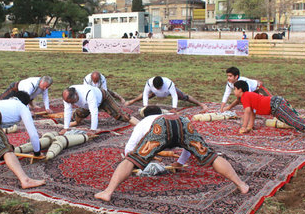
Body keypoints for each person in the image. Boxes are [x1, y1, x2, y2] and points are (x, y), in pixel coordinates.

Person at [94, 106, 249, 202]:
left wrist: (144, 160)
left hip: (161, 127)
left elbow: (129, 150)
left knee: (131, 159)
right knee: (211, 156)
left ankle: (108, 192)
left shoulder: (143, 123)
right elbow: (188, 147)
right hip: (182, 122)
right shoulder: (164, 117)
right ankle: (241, 185)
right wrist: (180, 162)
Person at [233, 80, 305, 141]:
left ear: (240, 90)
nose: (234, 91)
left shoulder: (244, 97)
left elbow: (247, 111)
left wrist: (243, 126)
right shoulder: (248, 95)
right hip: (276, 102)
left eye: (234, 89)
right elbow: (253, 112)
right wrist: (250, 126)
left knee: (292, 120)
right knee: (294, 116)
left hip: (274, 105)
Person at [60, 85, 139, 133]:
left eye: (73, 102)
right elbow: (67, 111)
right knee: (79, 114)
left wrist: (93, 130)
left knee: (121, 115)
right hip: (87, 105)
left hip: (103, 98)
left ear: (76, 94)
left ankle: (142, 125)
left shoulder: (88, 93)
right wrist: (66, 128)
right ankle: (76, 123)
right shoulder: (67, 97)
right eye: (70, 103)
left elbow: (94, 113)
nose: (72, 104)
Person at [126, 76, 209, 112]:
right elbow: (145, 94)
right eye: (156, 88)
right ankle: (132, 101)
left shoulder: (169, 84)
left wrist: (174, 108)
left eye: (159, 87)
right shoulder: (149, 83)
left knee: (184, 96)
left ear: (162, 85)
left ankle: (201, 104)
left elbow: (174, 96)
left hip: (167, 92)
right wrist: (145, 106)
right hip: (154, 93)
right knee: (148, 95)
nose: (158, 89)